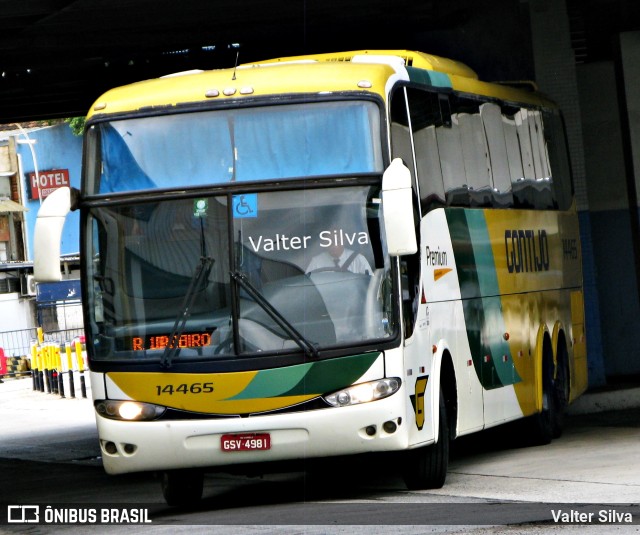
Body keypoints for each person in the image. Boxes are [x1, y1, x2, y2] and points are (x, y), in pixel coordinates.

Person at [306, 241, 373, 275]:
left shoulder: (358, 259)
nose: (334, 245)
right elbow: (307, 285)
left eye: (336, 240)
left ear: (343, 240)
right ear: (324, 243)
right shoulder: (316, 261)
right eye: (330, 241)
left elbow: (370, 284)